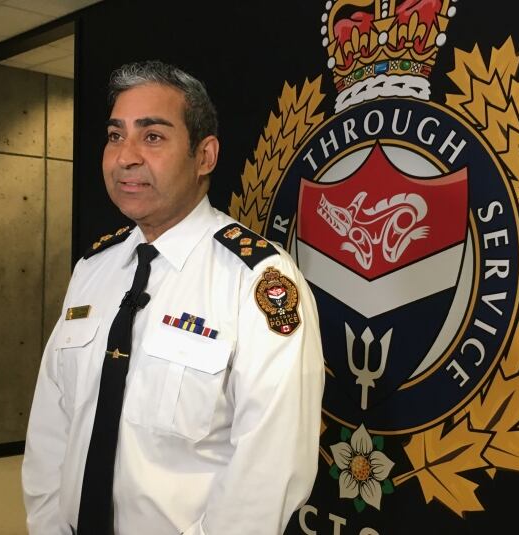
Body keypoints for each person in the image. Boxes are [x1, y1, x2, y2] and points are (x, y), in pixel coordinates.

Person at [22, 60, 325, 535]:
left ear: (204, 156)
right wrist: (47, 525)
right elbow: (52, 422)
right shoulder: (93, 268)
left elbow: (270, 465)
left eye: (153, 137)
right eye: (116, 135)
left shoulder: (257, 279)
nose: (126, 157)